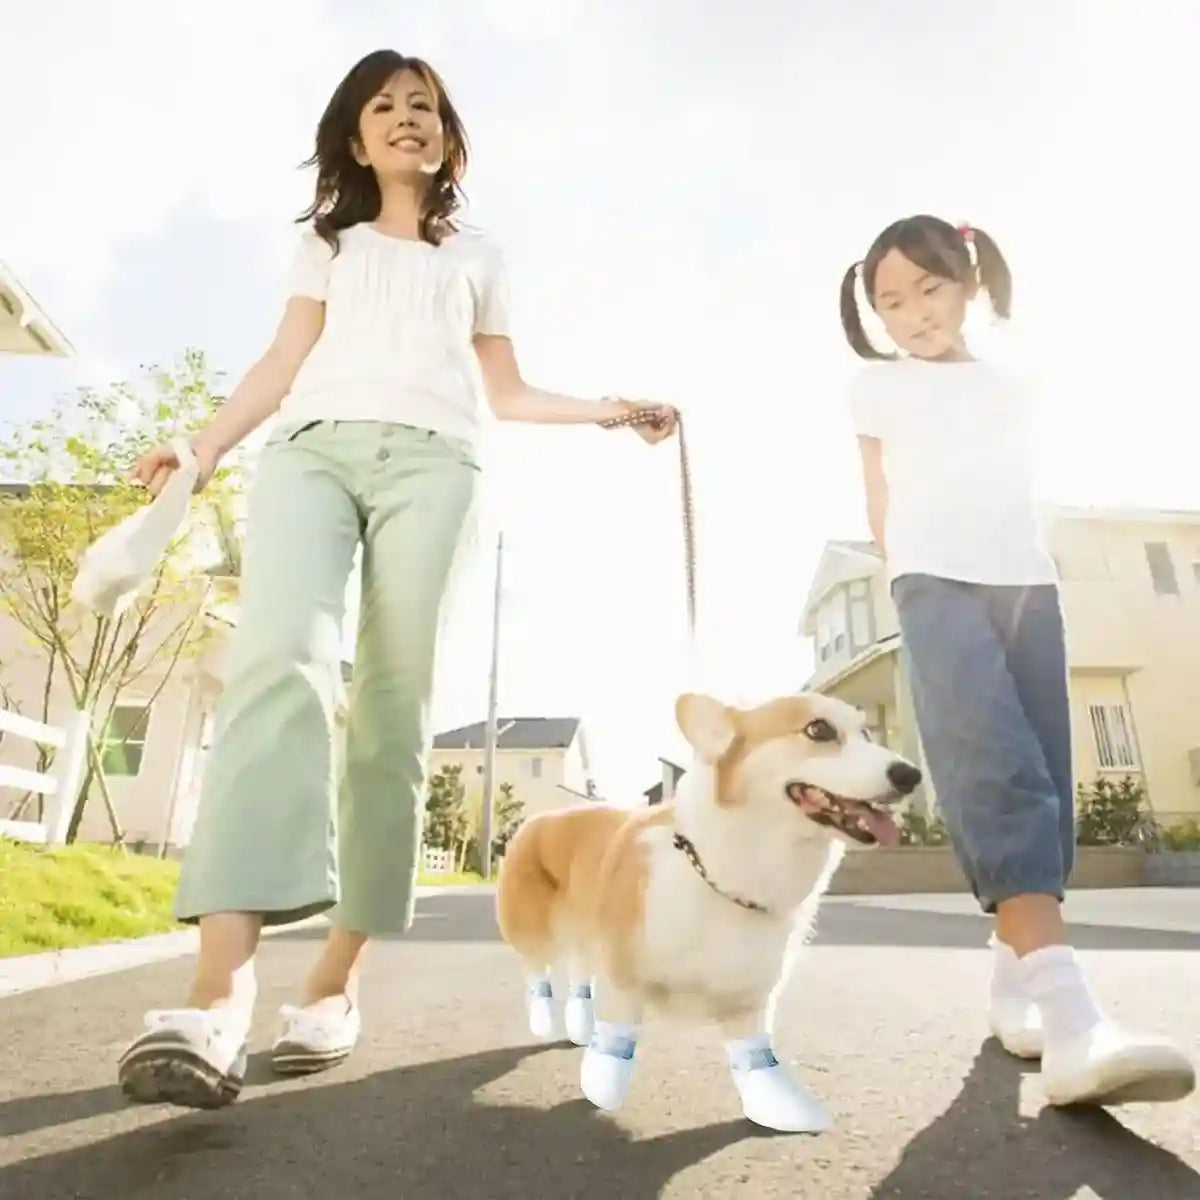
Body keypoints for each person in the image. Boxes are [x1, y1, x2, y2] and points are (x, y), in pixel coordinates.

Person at [116, 49, 676, 1110]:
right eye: (384, 106)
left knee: (393, 710)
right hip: (312, 452)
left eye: (424, 105)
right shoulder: (320, 242)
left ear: (448, 137)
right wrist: (197, 452)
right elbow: (280, 366)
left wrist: (611, 410)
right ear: (355, 136)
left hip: (437, 463)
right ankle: (218, 998)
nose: (406, 118)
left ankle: (333, 984)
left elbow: (505, 391)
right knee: (276, 666)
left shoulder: (479, 253)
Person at [842, 214, 1194, 1107]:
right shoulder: (877, 385)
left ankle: (1014, 989)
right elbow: (878, 497)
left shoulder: (1017, 383)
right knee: (994, 766)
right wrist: (906, 582)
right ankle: (1075, 1022)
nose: (912, 312)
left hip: (1028, 586)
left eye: (929, 287)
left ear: (968, 282)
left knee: (1043, 773)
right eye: (890, 300)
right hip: (935, 583)